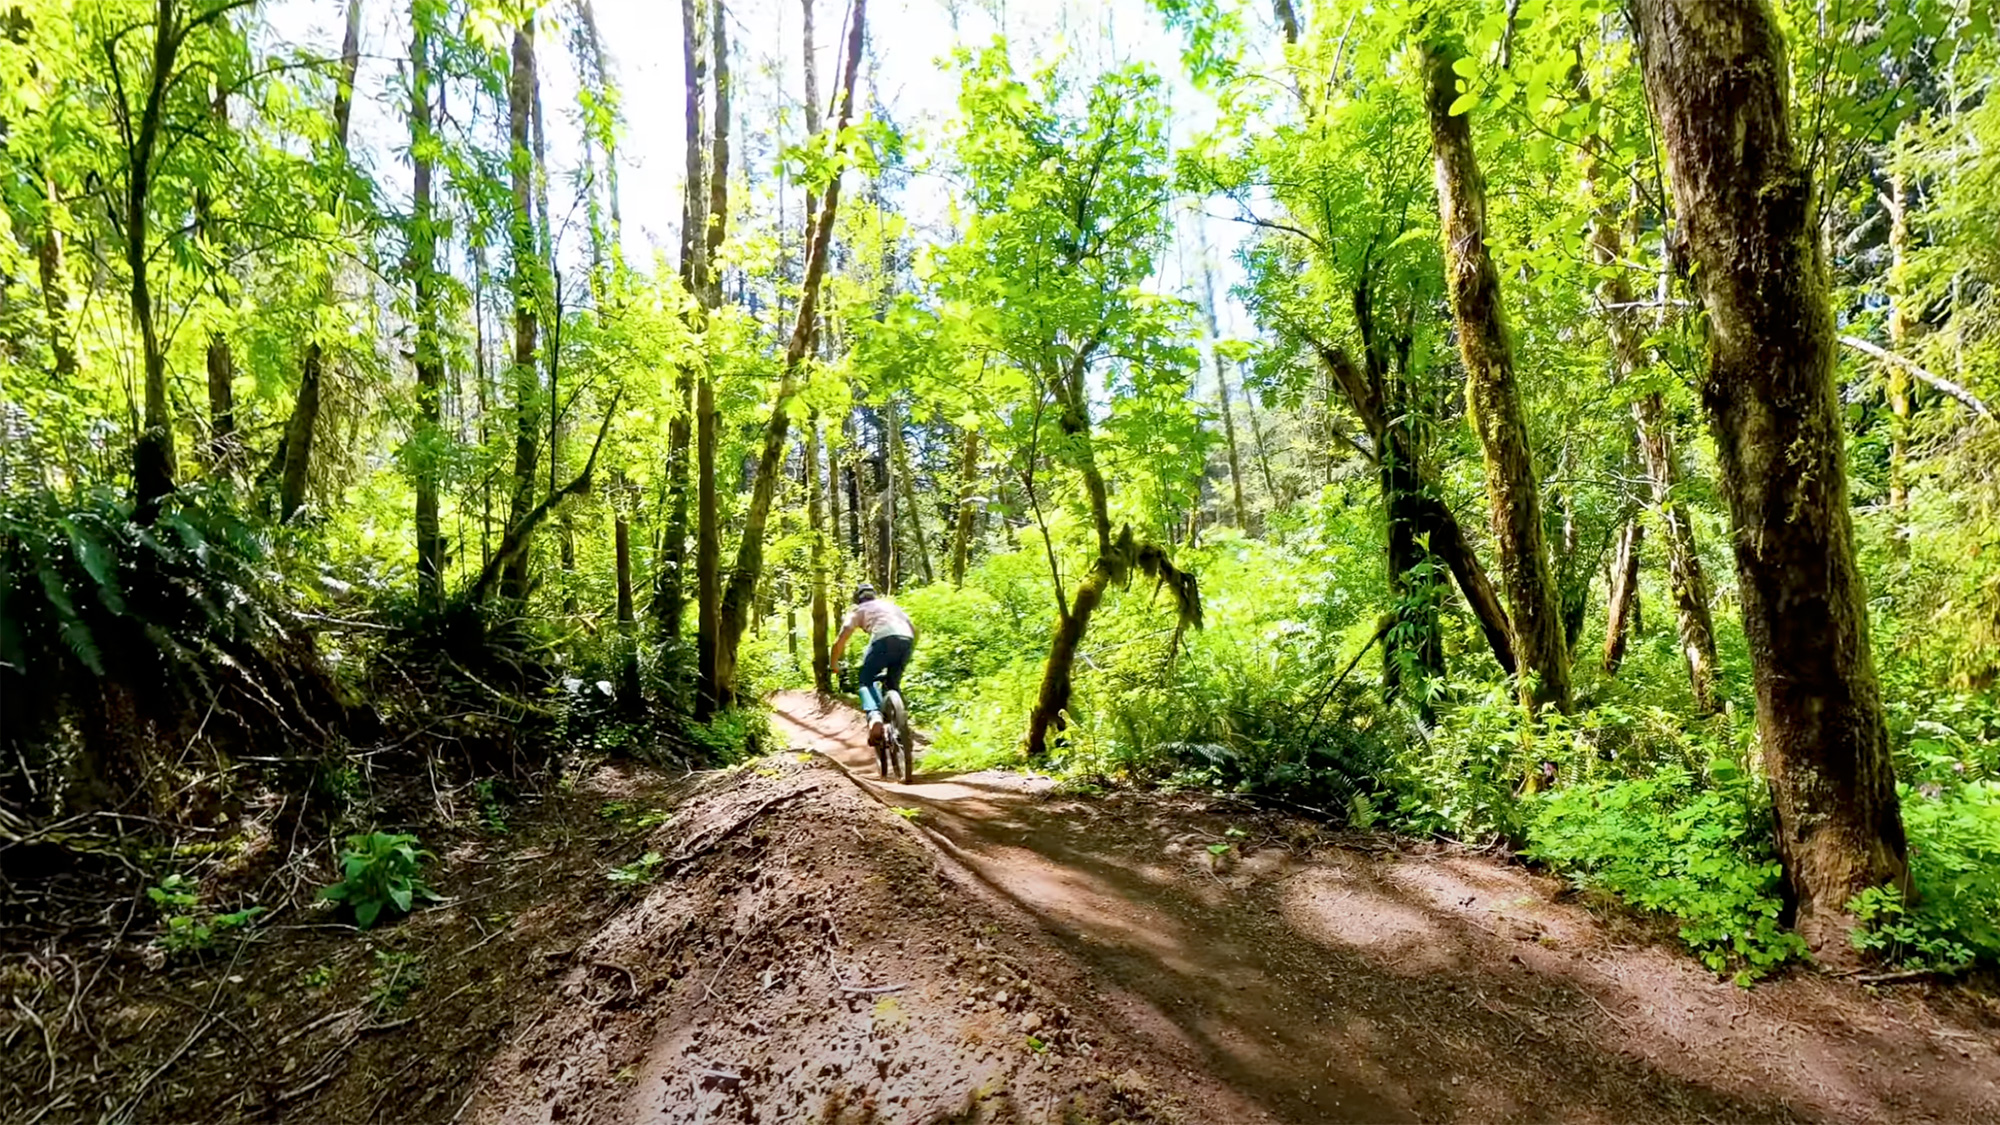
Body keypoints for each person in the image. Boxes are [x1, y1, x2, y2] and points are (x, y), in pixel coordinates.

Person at [830, 582, 918, 746]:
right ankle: (901, 727)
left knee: (866, 679)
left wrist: (834, 664)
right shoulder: (891, 607)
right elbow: (914, 629)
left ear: (858, 599)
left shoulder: (859, 610)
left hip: (883, 640)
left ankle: (875, 716)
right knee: (892, 684)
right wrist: (909, 648)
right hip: (906, 639)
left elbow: (842, 638)